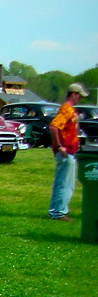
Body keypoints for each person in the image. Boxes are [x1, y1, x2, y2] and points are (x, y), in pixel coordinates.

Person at [48, 82, 88, 221]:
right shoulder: (67, 109)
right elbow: (54, 127)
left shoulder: (69, 110)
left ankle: (55, 211)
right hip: (66, 152)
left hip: (68, 151)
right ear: (74, 94)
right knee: (66, 184)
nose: (80, 99)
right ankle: (59, 212)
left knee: (61, 182)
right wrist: (59, 146)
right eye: (79, 96)